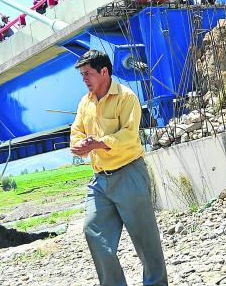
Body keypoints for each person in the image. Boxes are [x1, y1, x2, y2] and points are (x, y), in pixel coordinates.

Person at [69, 50, 167, 286]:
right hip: (99, 181)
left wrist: (100, 143)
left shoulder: (126, 97)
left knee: (145, 240)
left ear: (104, 72)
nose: (84, 79)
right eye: (82, 75)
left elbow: (129, 136)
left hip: (129, 174)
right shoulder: (85, 102)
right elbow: (76, 132)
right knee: (93, 230)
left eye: (88, 74)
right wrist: (80, 144)